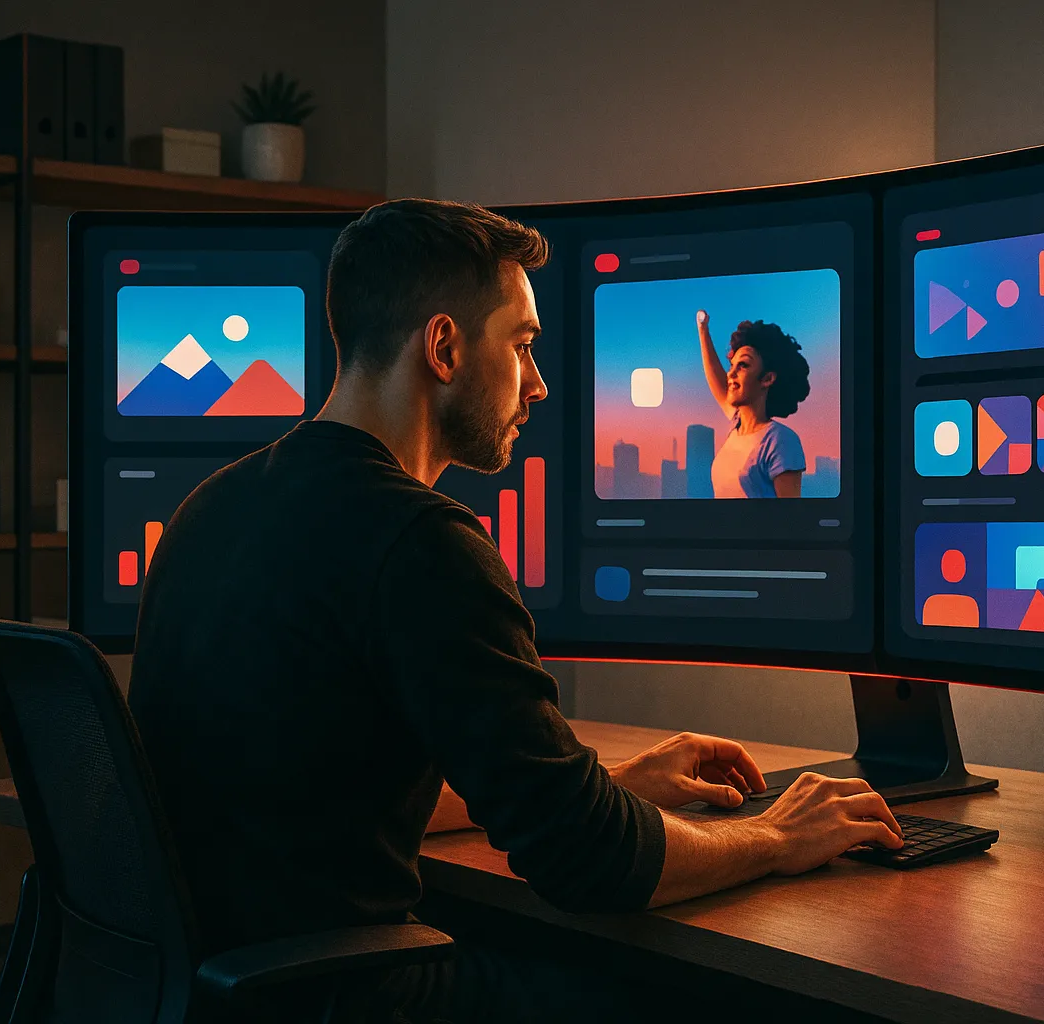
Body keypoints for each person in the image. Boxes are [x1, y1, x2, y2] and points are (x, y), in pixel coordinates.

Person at [127, 199, 901, 1023]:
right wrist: (778, 837)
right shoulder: (420, 543)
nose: (537, 382)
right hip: (349, 999)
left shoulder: (210, 508)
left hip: (219, 991)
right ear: (445, 346)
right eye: (523, 345)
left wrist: (597, 784)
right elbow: (589, 863)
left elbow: (313, 794)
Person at [697, 310, 811, 498]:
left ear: (767, 378)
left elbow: (791, 519)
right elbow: (717, 379)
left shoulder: (780, 440)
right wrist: (703, 330)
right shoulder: (737, 425)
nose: (731, 374)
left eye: (743, 365)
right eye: (732, 365)